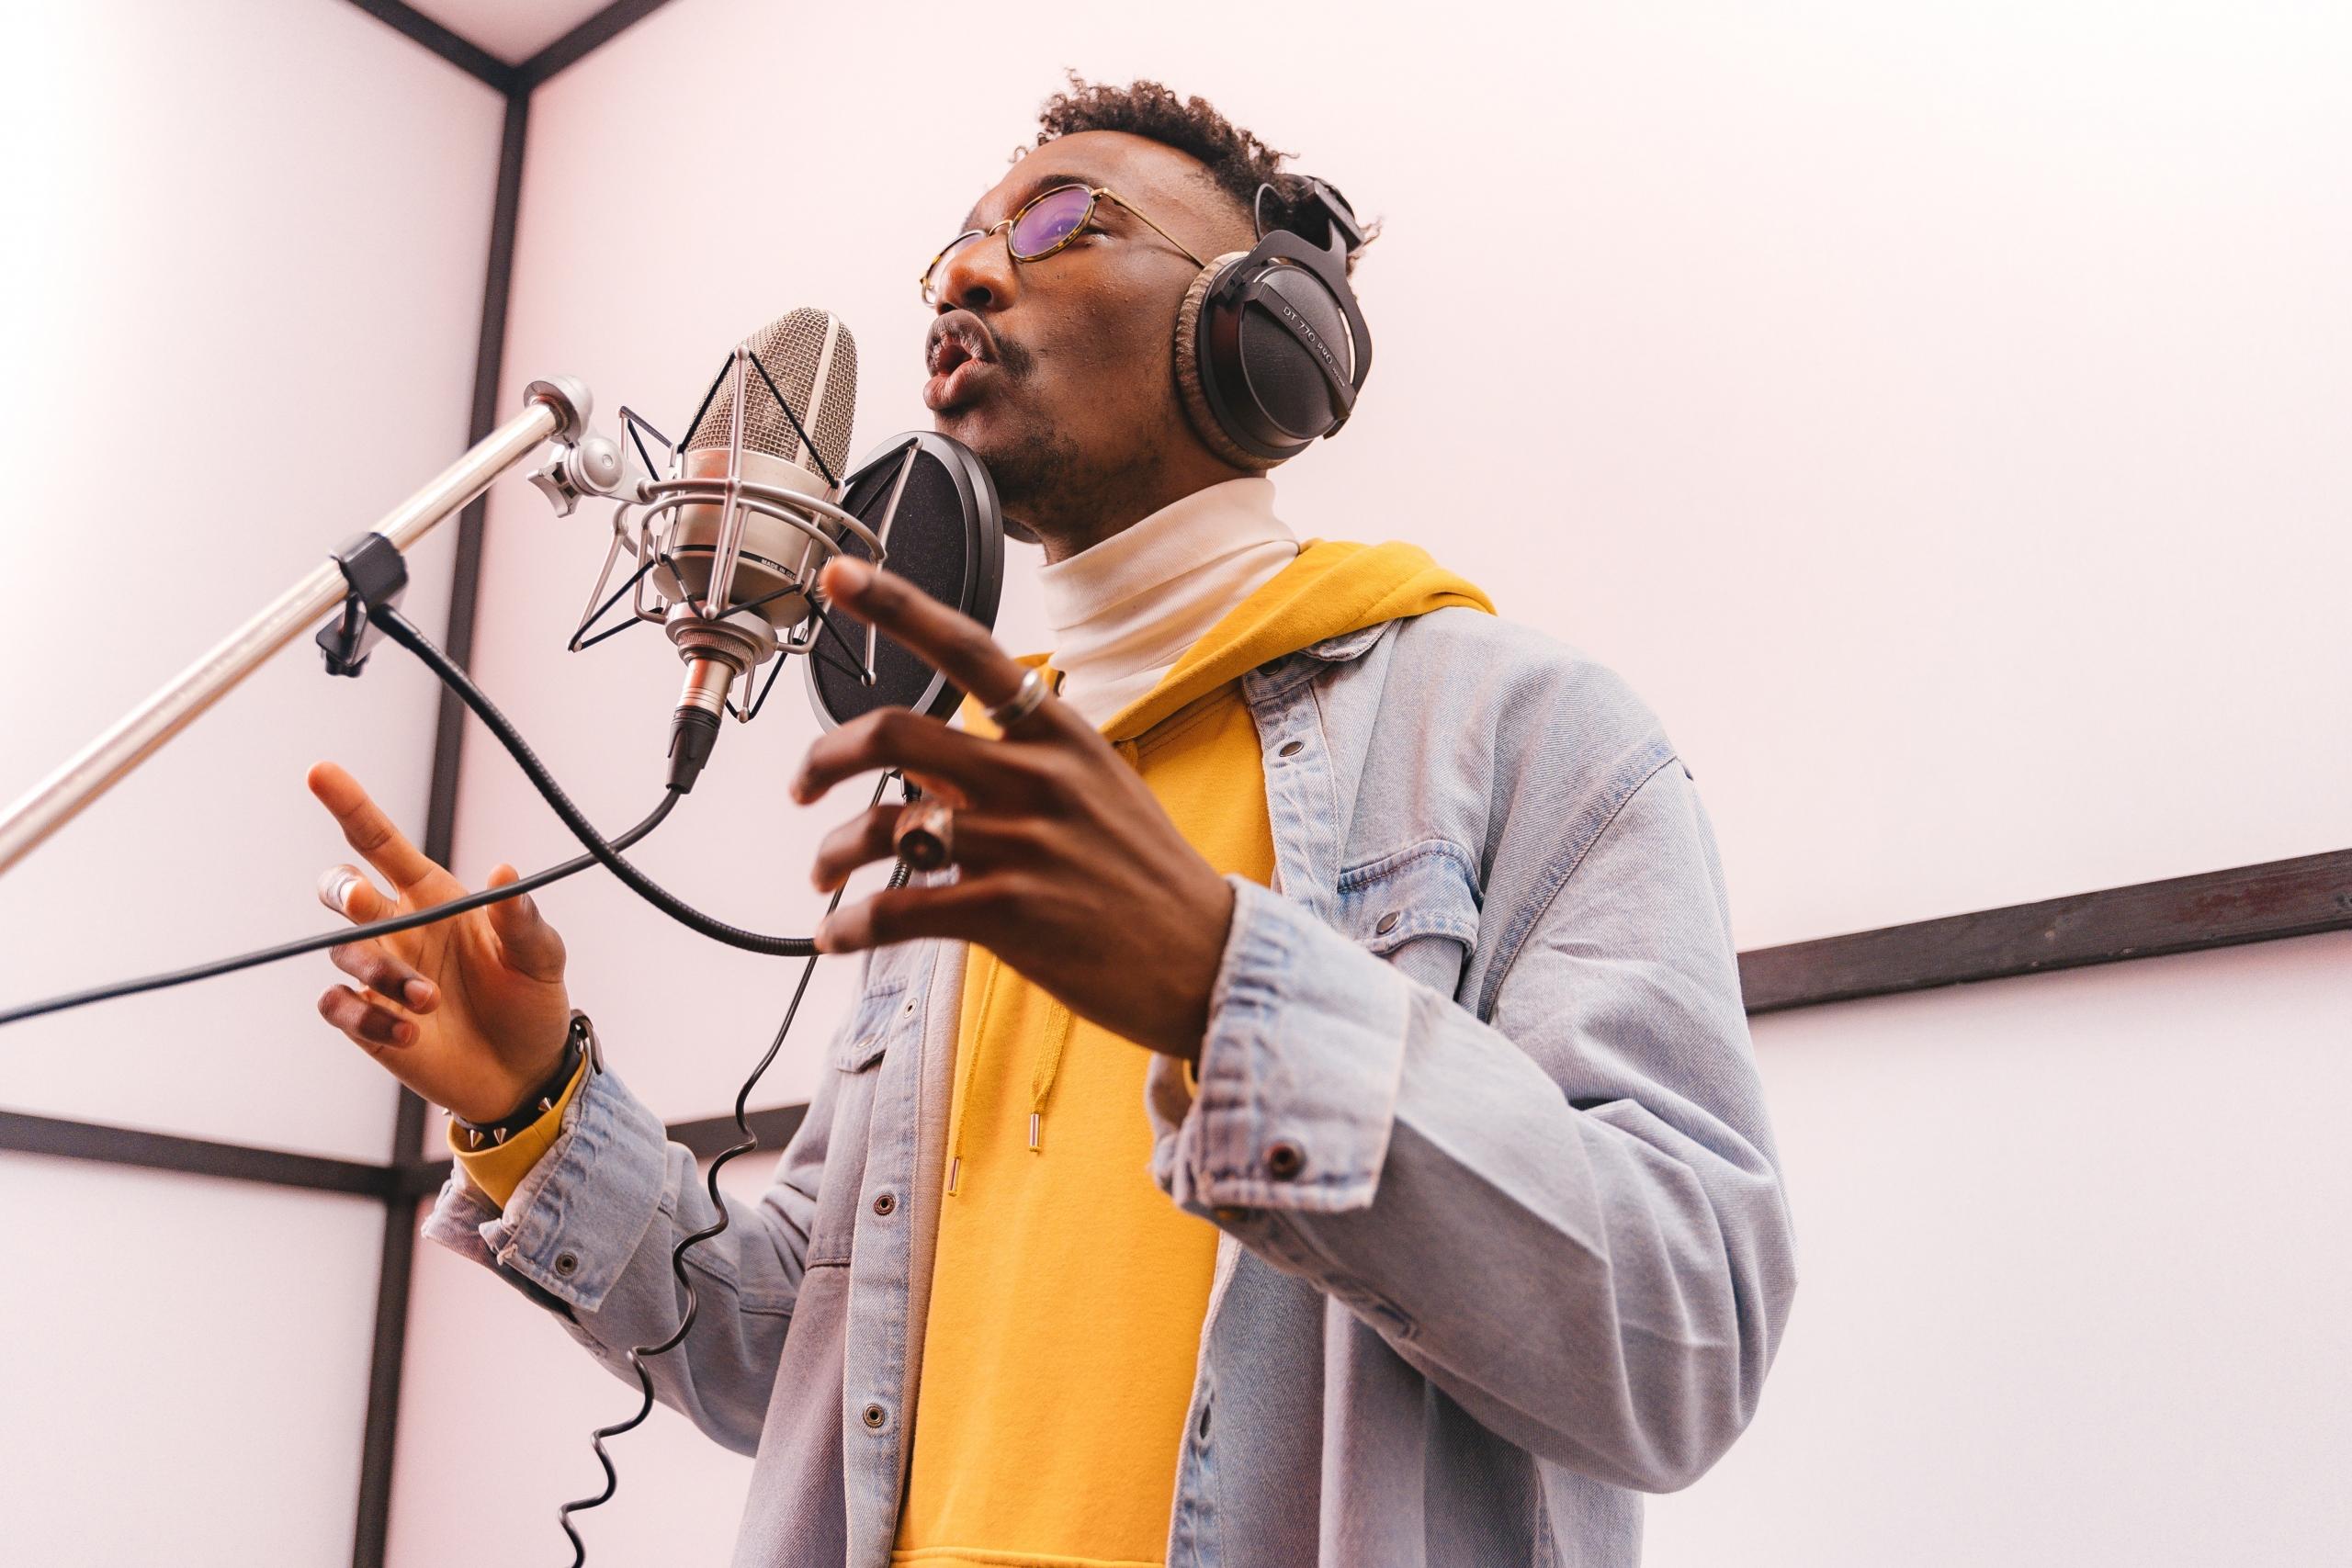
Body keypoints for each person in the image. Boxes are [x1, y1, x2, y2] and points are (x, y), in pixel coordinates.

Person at [306, 77, 1796, 1568]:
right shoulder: (968, 795)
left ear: (1260, 331)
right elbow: (804, 1357)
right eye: (957, 241)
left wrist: (1233, 993)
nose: (964, 271)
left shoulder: (1521, 734)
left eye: (1059, 222)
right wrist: (535, 1113)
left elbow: (1686, 1341)